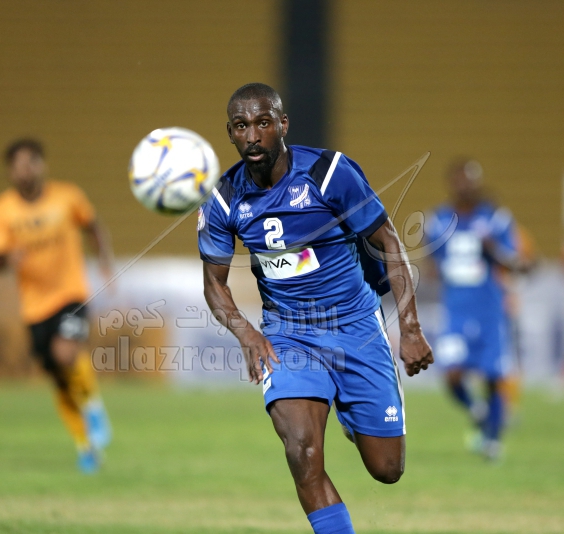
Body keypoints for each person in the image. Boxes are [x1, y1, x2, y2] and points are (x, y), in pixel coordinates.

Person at [198, 83, 433, 533]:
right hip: (287, 333)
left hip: (356, 325)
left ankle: (349, 413)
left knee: (387, 469)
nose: (253, 136)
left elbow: (388, 241)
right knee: (302, 452)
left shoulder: (328, 174)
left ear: (283, 125)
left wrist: (410, 327)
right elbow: (214, 284)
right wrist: (248, 334)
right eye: (241, 126)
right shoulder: (224, 199)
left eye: (263, 123)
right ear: (230, 133)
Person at [0, 139, 113, 473]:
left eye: (30, 163)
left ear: (42, 165)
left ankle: (94, 407)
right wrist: (6, 257)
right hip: (34, 307)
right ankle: (85, 446)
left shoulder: (67, 197)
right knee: (59, 380)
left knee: (66, 353)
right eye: (17, 166)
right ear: (10, 172)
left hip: (70, 293)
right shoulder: (1, 209)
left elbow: (93, 226)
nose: (24, 170)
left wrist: (104, 261)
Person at [425, 159, 525, 461]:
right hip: (456, 309)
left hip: (489, 310)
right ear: (451, 183)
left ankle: (492, 441)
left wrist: (492, 250)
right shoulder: (439, 220)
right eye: (460, 180)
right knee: (452, 373)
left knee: (493, 376)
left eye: (470, 180)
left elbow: (515, 262)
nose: (465, 186)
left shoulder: (496, 218)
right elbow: (432, 264)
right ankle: (478, 410)